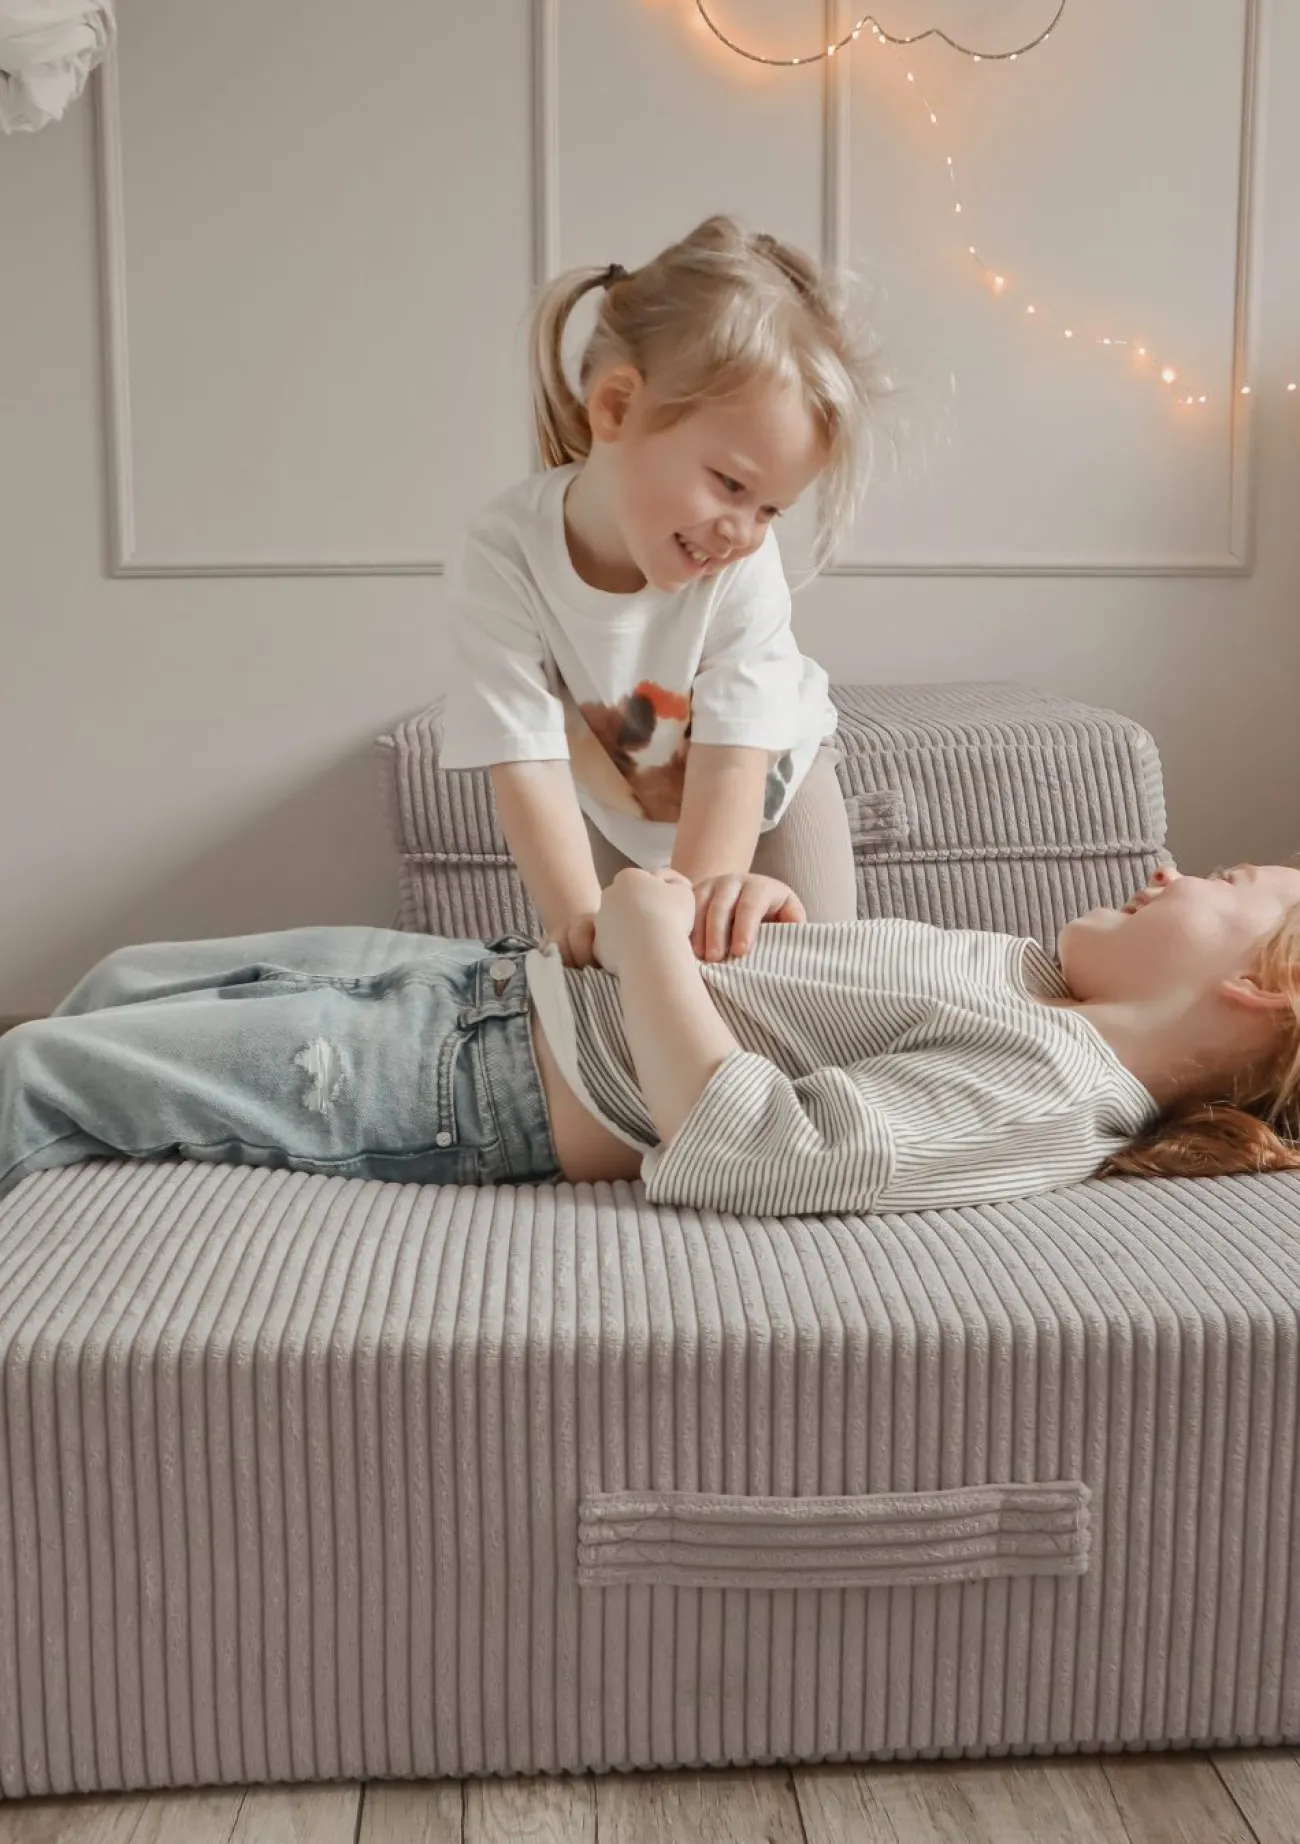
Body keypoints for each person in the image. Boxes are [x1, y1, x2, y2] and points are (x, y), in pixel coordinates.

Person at [3, 863, 1300, 1214]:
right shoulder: (1029, 980)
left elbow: (766, 1144)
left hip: (473, 1076)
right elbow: (796, 1010)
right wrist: (755, 910)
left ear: (1262, 987)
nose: (1170, 870)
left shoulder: (1052, 1090)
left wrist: (644, 943)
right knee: (116, 980)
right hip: (478, 981)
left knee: (35, 1075)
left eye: (1226, 880)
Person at [438, 214, 884, 970]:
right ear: (617, 408)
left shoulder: (742, 566)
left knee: (805, 981)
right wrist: (580, 927)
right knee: (620, 991)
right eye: (731, 485)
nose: (744, 532)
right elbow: (526, 762)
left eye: (770, 510)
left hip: (767, 785)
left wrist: (697, 912)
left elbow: (734, 759)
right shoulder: (504, 554)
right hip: (620, 810)